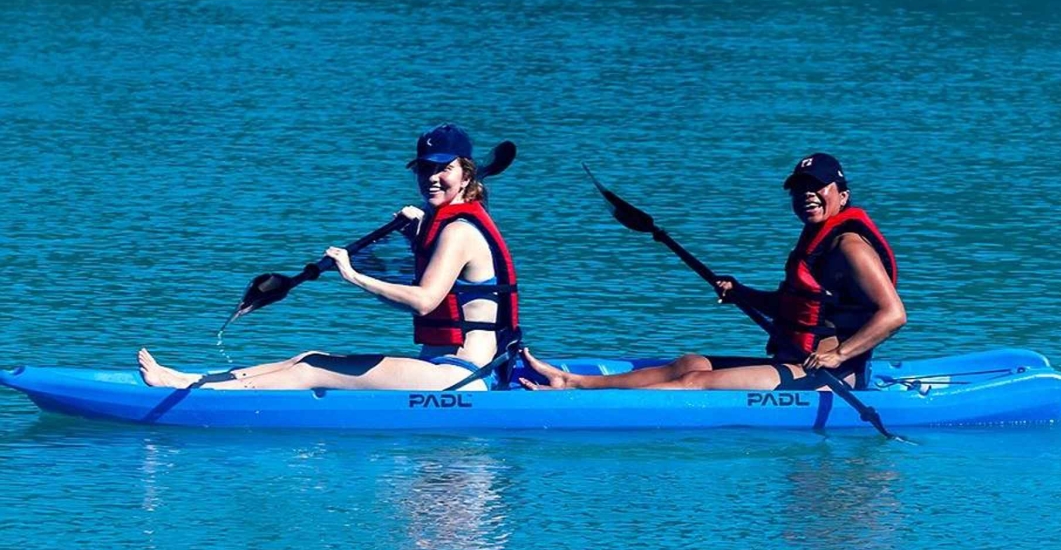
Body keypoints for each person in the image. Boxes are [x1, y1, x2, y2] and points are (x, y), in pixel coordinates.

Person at [138, 124, 522, 392]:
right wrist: (413, 238)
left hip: (461, 378)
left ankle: (201, 397)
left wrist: (353, 276)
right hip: (445, 369)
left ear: (467, 174)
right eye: (425, 169)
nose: (432, 178)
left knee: (312, 369)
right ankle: (194, 381)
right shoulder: (448, 224)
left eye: (445, 169)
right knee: (309, 356)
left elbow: (424, 301)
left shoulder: (457, 230)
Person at [522, 152, 904, 392]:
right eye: (798, 188)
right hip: (792, 363)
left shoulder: (849, 246)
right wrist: (742, 293)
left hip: (831, 378)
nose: (806, 195)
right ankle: (575, 380)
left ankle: (579, 400)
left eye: (817, 187)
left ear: (842, 195)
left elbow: (893, 314)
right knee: (689, 363)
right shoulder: (815, 241)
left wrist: (839, 355)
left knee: (695, 382)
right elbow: (795, 307)